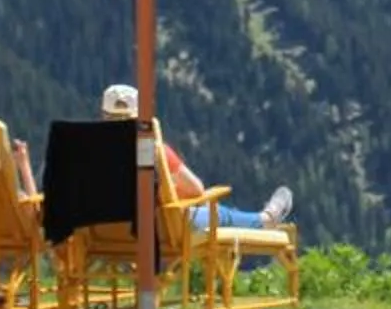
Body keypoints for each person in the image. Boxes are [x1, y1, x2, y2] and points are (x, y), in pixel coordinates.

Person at [101, 84, 292, 231]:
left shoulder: (88, 153)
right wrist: (166, 193)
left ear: (104, 115)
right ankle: (266, 219)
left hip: (104, 234)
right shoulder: (154, 151)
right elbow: (195, 189)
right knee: (217, 213)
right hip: (158, 231)